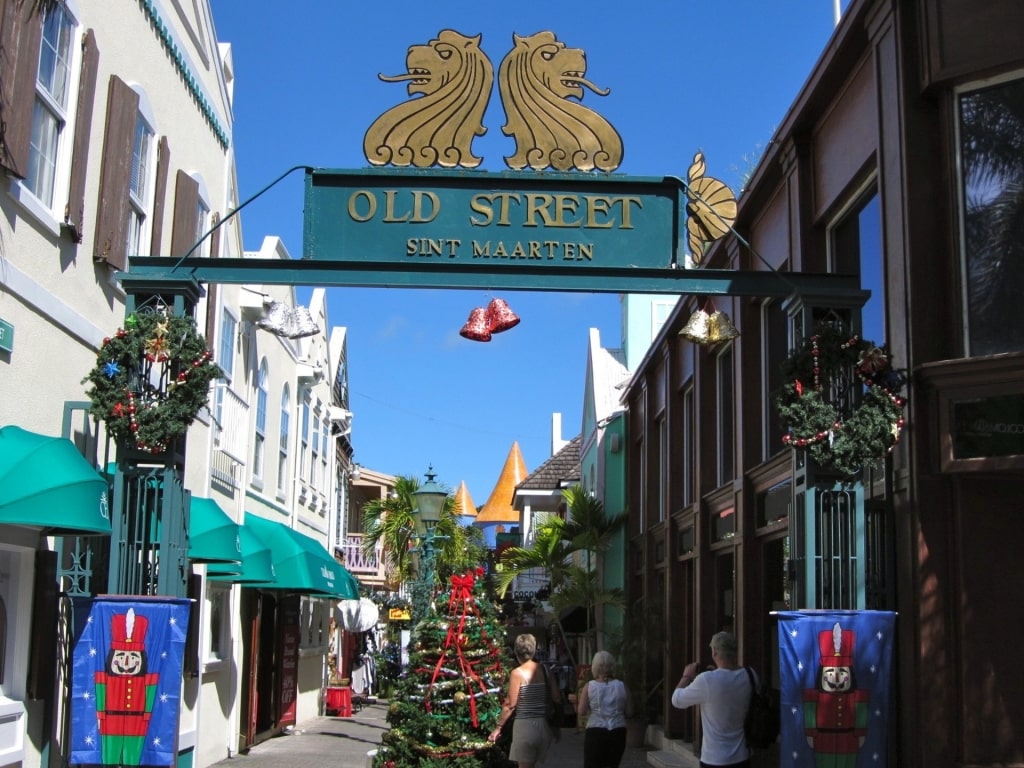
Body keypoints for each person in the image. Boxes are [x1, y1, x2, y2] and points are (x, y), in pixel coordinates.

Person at [670, 631, 752, 768]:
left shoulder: (707, 680)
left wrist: (686, 676)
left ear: (714, 652)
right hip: (741, 755)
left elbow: (677, 700)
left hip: (714, 758)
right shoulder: (750, 675)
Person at [488, 633, 561, 767]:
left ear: (516, 651)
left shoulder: (517, 673)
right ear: (534, 650)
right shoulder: (545, 670)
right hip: (544, 726)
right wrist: (557, 726)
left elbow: (511, 704)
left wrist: (498, 728)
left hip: (525, 728)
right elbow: (557, 697)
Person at [576, 650, 634, 768]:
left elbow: (581, 711)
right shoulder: (622, 686)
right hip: (618, 731)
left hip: (595, 732)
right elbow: (630, 713)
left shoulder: (589, 686)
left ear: (595, 667)